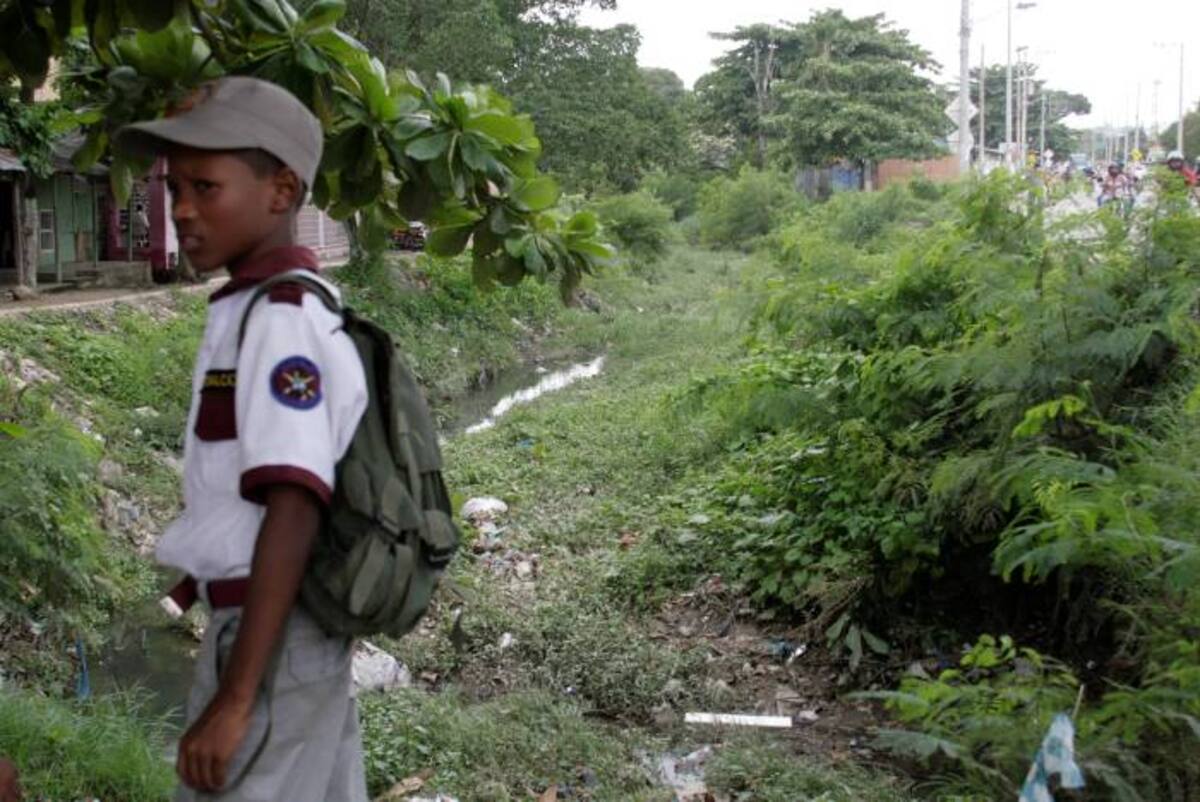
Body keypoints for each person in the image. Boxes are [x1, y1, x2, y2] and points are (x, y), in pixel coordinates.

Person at [113, 76, 369, 802]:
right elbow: (248, 497)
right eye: (172, 189)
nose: (182, 210)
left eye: (205, 186)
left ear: (281, 191)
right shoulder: (253, 307)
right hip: (274, 636)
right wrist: (195, 577)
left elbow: (293, 503)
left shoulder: (283, 319)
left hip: (270, 644)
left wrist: (234, 700)